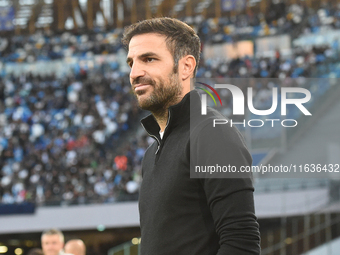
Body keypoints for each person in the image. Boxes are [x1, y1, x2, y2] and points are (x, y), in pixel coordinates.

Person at [122, 17, 261, 254]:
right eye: (131, 62)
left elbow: (241, 243)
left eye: (149, 59)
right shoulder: (151, 153)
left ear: (186, 66)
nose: (135, 73)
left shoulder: (213, 134)